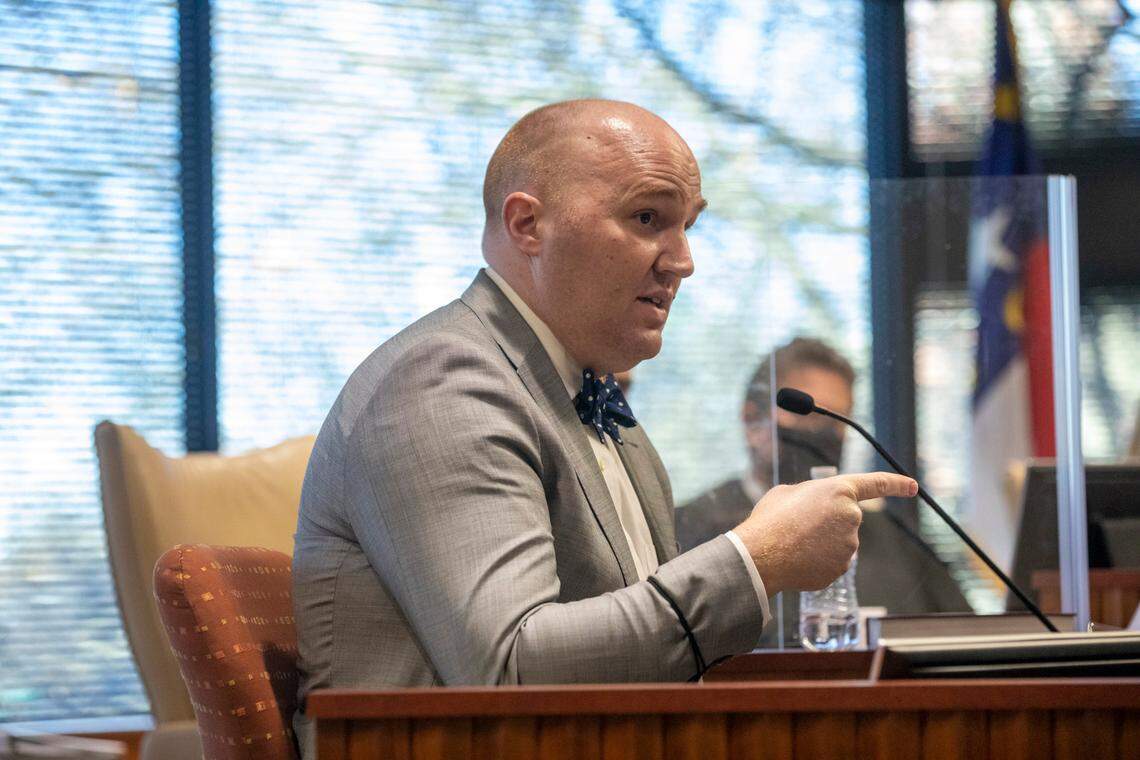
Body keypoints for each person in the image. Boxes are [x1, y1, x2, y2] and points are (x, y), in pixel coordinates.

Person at [291, 100, 917, 755]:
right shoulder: (443, 379)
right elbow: (512, 672)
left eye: (688, 227)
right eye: (648, 218)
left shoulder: (591, 399)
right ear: (528, 224)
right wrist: (756, 560)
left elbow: (646, 660)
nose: (683, 261)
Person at [676, 337, 971, 647]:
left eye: (837, 421)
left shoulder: (891, 536)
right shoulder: (692, 526)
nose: (826, 435)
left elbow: (966, 639)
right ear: (752, 421)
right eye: (813, 416)